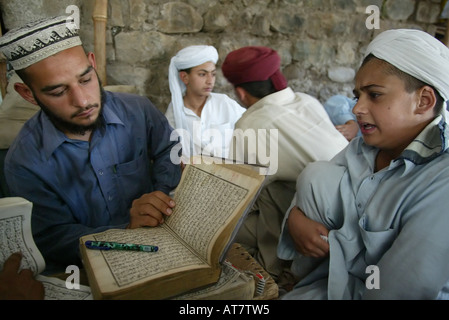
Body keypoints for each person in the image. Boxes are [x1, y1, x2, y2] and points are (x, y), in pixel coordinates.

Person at [0, 16, 181, 274]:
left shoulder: (137, 110)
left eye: (85, 80)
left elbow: (169, 148)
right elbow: (53, 238)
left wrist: (161, 197)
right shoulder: (23, 162)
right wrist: (125, 231)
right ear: (28, 94)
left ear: (93, 64)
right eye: (58, 92)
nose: (83, 101)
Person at [277, 29, 449, 299]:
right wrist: (295, 219)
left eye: (375, 95)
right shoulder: (366, 146)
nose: (357, 108)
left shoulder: (443, 178)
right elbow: (314, 188)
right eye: (358, 96)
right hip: (337, 277)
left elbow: (403, 288)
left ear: (423, 101)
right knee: (315, 175)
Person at [221, 46, 348, 281]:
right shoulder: (307, 100)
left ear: (240, 93)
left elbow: (238, 189)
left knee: (223, 228)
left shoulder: (251, 124)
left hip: (315, 219)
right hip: (349, 201)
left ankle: (273, 272)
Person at [165, 45, 245, 162]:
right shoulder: (172, 115)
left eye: (213, 74)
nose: (210, 81)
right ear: (184, 77)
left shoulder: (224, 104)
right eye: (202, 74)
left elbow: (252, 128)